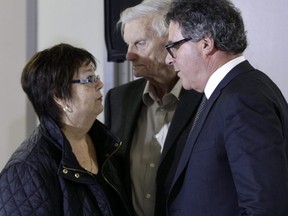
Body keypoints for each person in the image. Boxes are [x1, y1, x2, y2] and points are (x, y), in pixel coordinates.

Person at [164, 0, 288, 215]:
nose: (168, 59)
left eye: (174, 46)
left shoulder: (242, 99)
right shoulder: (232, 90)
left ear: (205, 44)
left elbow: (263, 207)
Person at [0, 43, 131, 216]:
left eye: (96, 76)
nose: (99, 84)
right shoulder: (26, 169)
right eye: (89, 79)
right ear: (59, 97)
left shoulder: (106, 144)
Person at [104, 0, 202, 215]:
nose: (129, 55)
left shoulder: (205, 96)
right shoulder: (118, 99)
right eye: (127, 45)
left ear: (170, 41)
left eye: (139, 43)